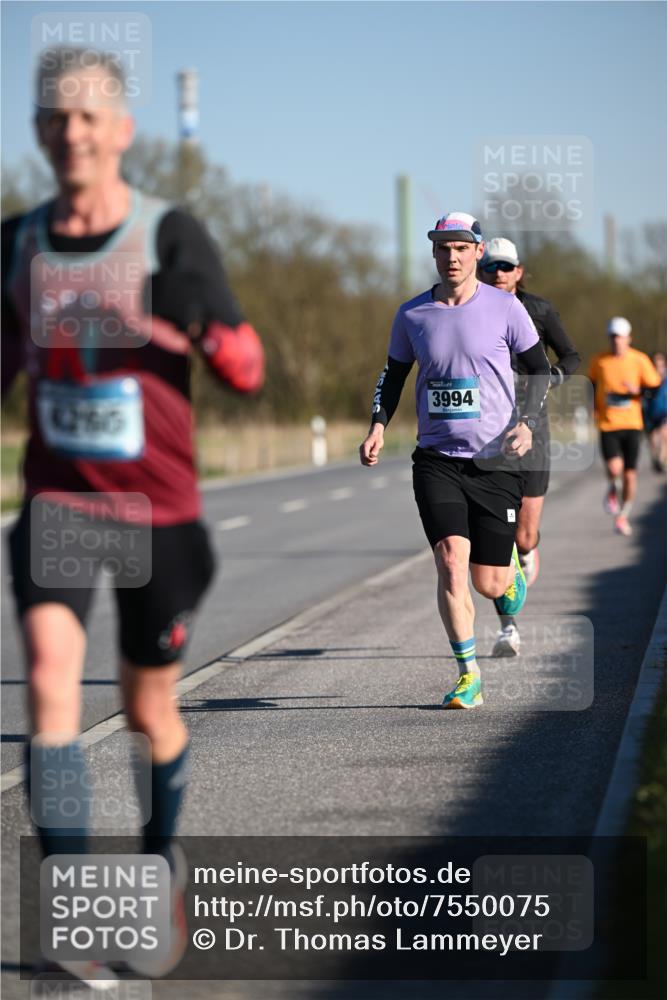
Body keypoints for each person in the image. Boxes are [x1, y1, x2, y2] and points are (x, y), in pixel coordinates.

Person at [2, 48, 264, 985]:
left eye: (86, 116)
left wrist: (196, 323)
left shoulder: (169, 235)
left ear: (120, 130)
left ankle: (159, 870)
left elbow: (245, 370)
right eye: (52, 118)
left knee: (151, 708)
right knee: (49, 686)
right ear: (38, 132)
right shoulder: (21, 241)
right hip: (61, 499)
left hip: (161, 510)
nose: (69, 132)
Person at [359, 213, 550, 709]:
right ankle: (469, 674)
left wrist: (527, 422)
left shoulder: (505, 308)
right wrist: (378, 424)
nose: (452, 257)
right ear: (434, 253)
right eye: (443, 248)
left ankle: (508, 566)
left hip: (495, 461)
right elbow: (394, 375)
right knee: (449, 561)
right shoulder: (412, 314)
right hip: (437, 459)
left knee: (491, 583)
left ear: (478, 252)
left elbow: (539, 368)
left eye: (461, 248)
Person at [478, 237, 580, 657]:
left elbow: (571, 355)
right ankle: (508, 627)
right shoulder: (470, 310)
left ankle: (529, 549)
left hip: (532, 430)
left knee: (524, 532)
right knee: (498, 537)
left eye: (506, 267)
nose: (498, 274)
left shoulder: (538, 310)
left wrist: (550, 377)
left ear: (519, 272)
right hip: (487, 435)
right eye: (491, 267)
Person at [588, 318, 661, 536]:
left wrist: (637, 390)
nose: (616, 341)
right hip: (608, 423)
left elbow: (655, 388)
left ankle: (623, 514)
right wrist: (592, 407)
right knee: (614, 469)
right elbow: (590, 385)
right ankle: (612, 488)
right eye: (613, 337)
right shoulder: (600, 361)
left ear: (628, 338)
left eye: (620, 337)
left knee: (630, 476)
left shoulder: (639, 360)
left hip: (632, 424)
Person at [643, 350, 667, 472]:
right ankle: (655, 457)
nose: (659, 368)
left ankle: (662, 460)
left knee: (664, 434)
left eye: (661, 365)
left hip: (664, 411)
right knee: (653, 438)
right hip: (651, 412)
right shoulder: (648, 380)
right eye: (656, 365)